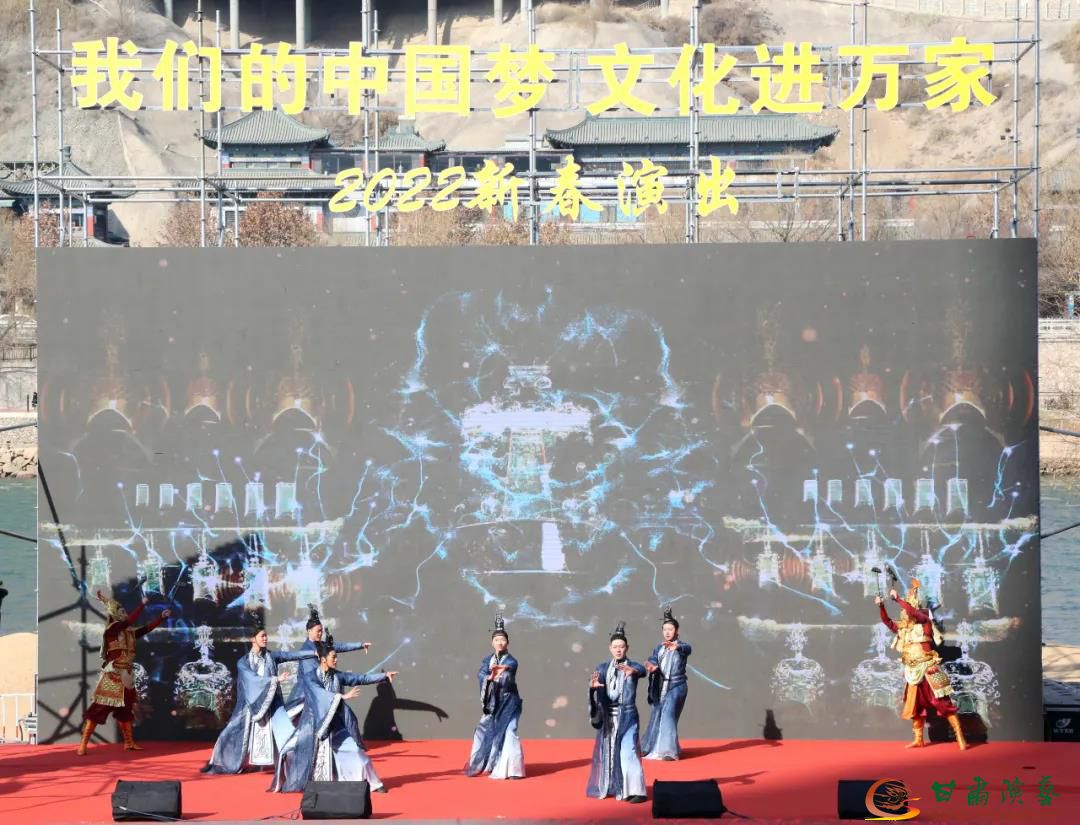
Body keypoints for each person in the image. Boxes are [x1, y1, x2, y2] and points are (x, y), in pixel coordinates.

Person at [272, 636, 397, 793]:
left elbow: (359, 678)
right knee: (288, 752)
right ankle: (294, 781)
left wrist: (383, 677)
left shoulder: (336, 676)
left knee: (357, 752)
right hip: (312, 726)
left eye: (336, 657)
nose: (336, 660)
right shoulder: (310, 678)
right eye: (333, 657)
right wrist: (341, 697)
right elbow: (318, 694)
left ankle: (374, 784)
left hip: (334, 725)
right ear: (323, 659)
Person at [201, 615, 318, 774]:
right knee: (230, 732)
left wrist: (313, 653)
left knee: (286, 731)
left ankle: (294, 765)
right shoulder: (243, 662)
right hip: (250, 705)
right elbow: (253, 680)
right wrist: (275, 679)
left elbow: (292, 655)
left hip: (271, 702)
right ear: (253, 639)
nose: (265, 639)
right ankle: (219, 762)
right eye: (262, 636)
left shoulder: (271, 656)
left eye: (266, 636)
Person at [876, 579, 968, 751]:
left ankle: (960, 736)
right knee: (915, 706)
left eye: (907, 609)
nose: (905, 612)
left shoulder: (925, 621)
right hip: (912, 671)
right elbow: (887, 622)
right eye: (905, 610)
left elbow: (914, 612)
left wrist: (898, 599)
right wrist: (881, 606)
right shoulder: (904, 629)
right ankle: (918, 739)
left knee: (944, 703)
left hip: (929, 668)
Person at [77, 590, 170, 756]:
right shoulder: (112, 630)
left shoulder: (129, 632)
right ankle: (83, 743)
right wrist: (142, 605)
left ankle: (129, 742)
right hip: (113, 675)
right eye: (121, 612)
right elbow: (129, 621)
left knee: (126, 711)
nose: (124, 614)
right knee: (98, 709)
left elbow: (146, 629)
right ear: (115, 615)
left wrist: (161, 618)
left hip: (127, 675)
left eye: (125, 611)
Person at [586, 622, 647, 803]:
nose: (618, 650)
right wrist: (592, 689)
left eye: (621, 646)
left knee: (629, 751)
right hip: (608, 718)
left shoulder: (633, 666)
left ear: (627, 648)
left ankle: (637, 791)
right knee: (609, 753)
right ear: (610, 648)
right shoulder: (603, 668)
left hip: (627, 716)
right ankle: (615, 786)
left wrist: (633, 671)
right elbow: (595, 688)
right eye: (615, 647)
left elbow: (642, 670)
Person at [465, 614, 524, 779]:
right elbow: (481, 674)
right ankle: (485, 764)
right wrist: (489, 677)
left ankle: (514, 770)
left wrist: (499, 673)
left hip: (509, 702)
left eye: (503, 640)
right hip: (493, 703)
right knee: (482, 731)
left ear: (507, 643)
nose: (500, 642)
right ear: (492, 642)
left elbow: (507, 672)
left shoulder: (512, 661)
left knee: (510, 732)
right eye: (497, 640)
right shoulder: (487, 660)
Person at [284, 605, 370, 716]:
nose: (321, 634)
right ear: (309, 631)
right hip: (308, 696)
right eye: (318, 631)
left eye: (321, 631)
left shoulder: (322, 645)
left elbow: (341, 647)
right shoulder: (306, 651)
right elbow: (314, 677)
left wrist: (360, 645)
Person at [641, 605, 692, 761]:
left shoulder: (681, 646)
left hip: (676, 686)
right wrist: (652, 666)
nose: (667, 632)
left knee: (668, 716)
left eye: (670, 629)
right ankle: (648, 746)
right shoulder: (659, 647)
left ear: (677, 631)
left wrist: (678, 647)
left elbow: (688, 649)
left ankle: (669, 751)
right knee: (656, 715)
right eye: (665, 629)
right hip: (661, 686)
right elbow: (653, 659)